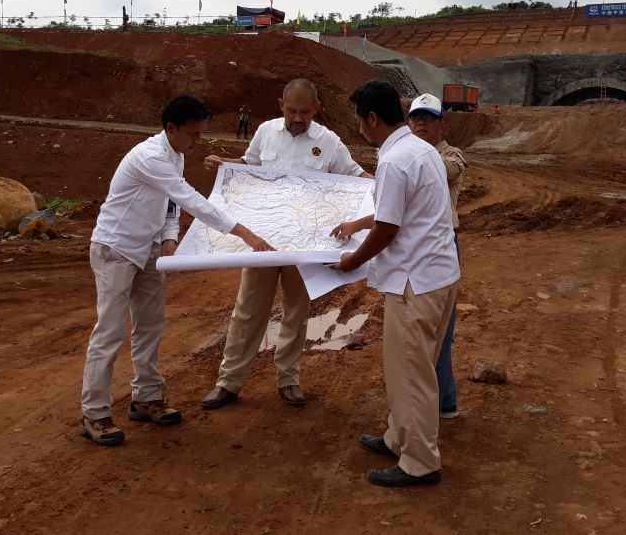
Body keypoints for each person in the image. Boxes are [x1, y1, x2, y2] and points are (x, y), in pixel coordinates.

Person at [80, 94, 274, 446]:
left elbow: (170, 205)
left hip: (150, 251)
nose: (197, 141)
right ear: (171, 128)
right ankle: (94, 413)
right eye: (193, 134)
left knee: (150, 325)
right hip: (116, 249)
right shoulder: (150, 156)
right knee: (109, 332)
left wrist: (169, 236)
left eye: (201, 134)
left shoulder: (176, 154)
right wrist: (244, 232)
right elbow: (187, 198)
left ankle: (147, 398)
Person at [200, 79, 372, 410]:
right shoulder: (265, 132)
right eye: (291, 111)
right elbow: (249, 169)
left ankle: (289, 380)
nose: (297, 118)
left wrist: (386, 183)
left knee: (296, 312)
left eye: (304, 112)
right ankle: (229, 382)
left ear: (316, 110)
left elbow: (354, 176)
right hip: (263, 242)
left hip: (306, 244)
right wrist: (224, 165)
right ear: (281, 105)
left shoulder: (329, 142)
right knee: (248, 312)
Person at [331, 80, 459, 487]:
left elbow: (389, 226)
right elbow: (403, 212)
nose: (359, 128)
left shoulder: (394, 160)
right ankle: (397, 436)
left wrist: (352, 260)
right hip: (439, 277)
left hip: (413, 284)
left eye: (359, 120)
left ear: (372, 118)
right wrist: (358, 225)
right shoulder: (422, 151)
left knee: (412, 375)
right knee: (414, 368)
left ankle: (419, 462)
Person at [406, 94, 467, 419]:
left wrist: (407, 151)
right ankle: (442, 401)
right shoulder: (407, 155)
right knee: (420, 329)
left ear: (442, 125)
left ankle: (439, 403)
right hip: (414, 246)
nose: (420, 125)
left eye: (428, 119)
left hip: (442, 246)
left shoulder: (451, 156)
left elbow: (441, 171)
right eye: (415, 119)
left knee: (439, 330)